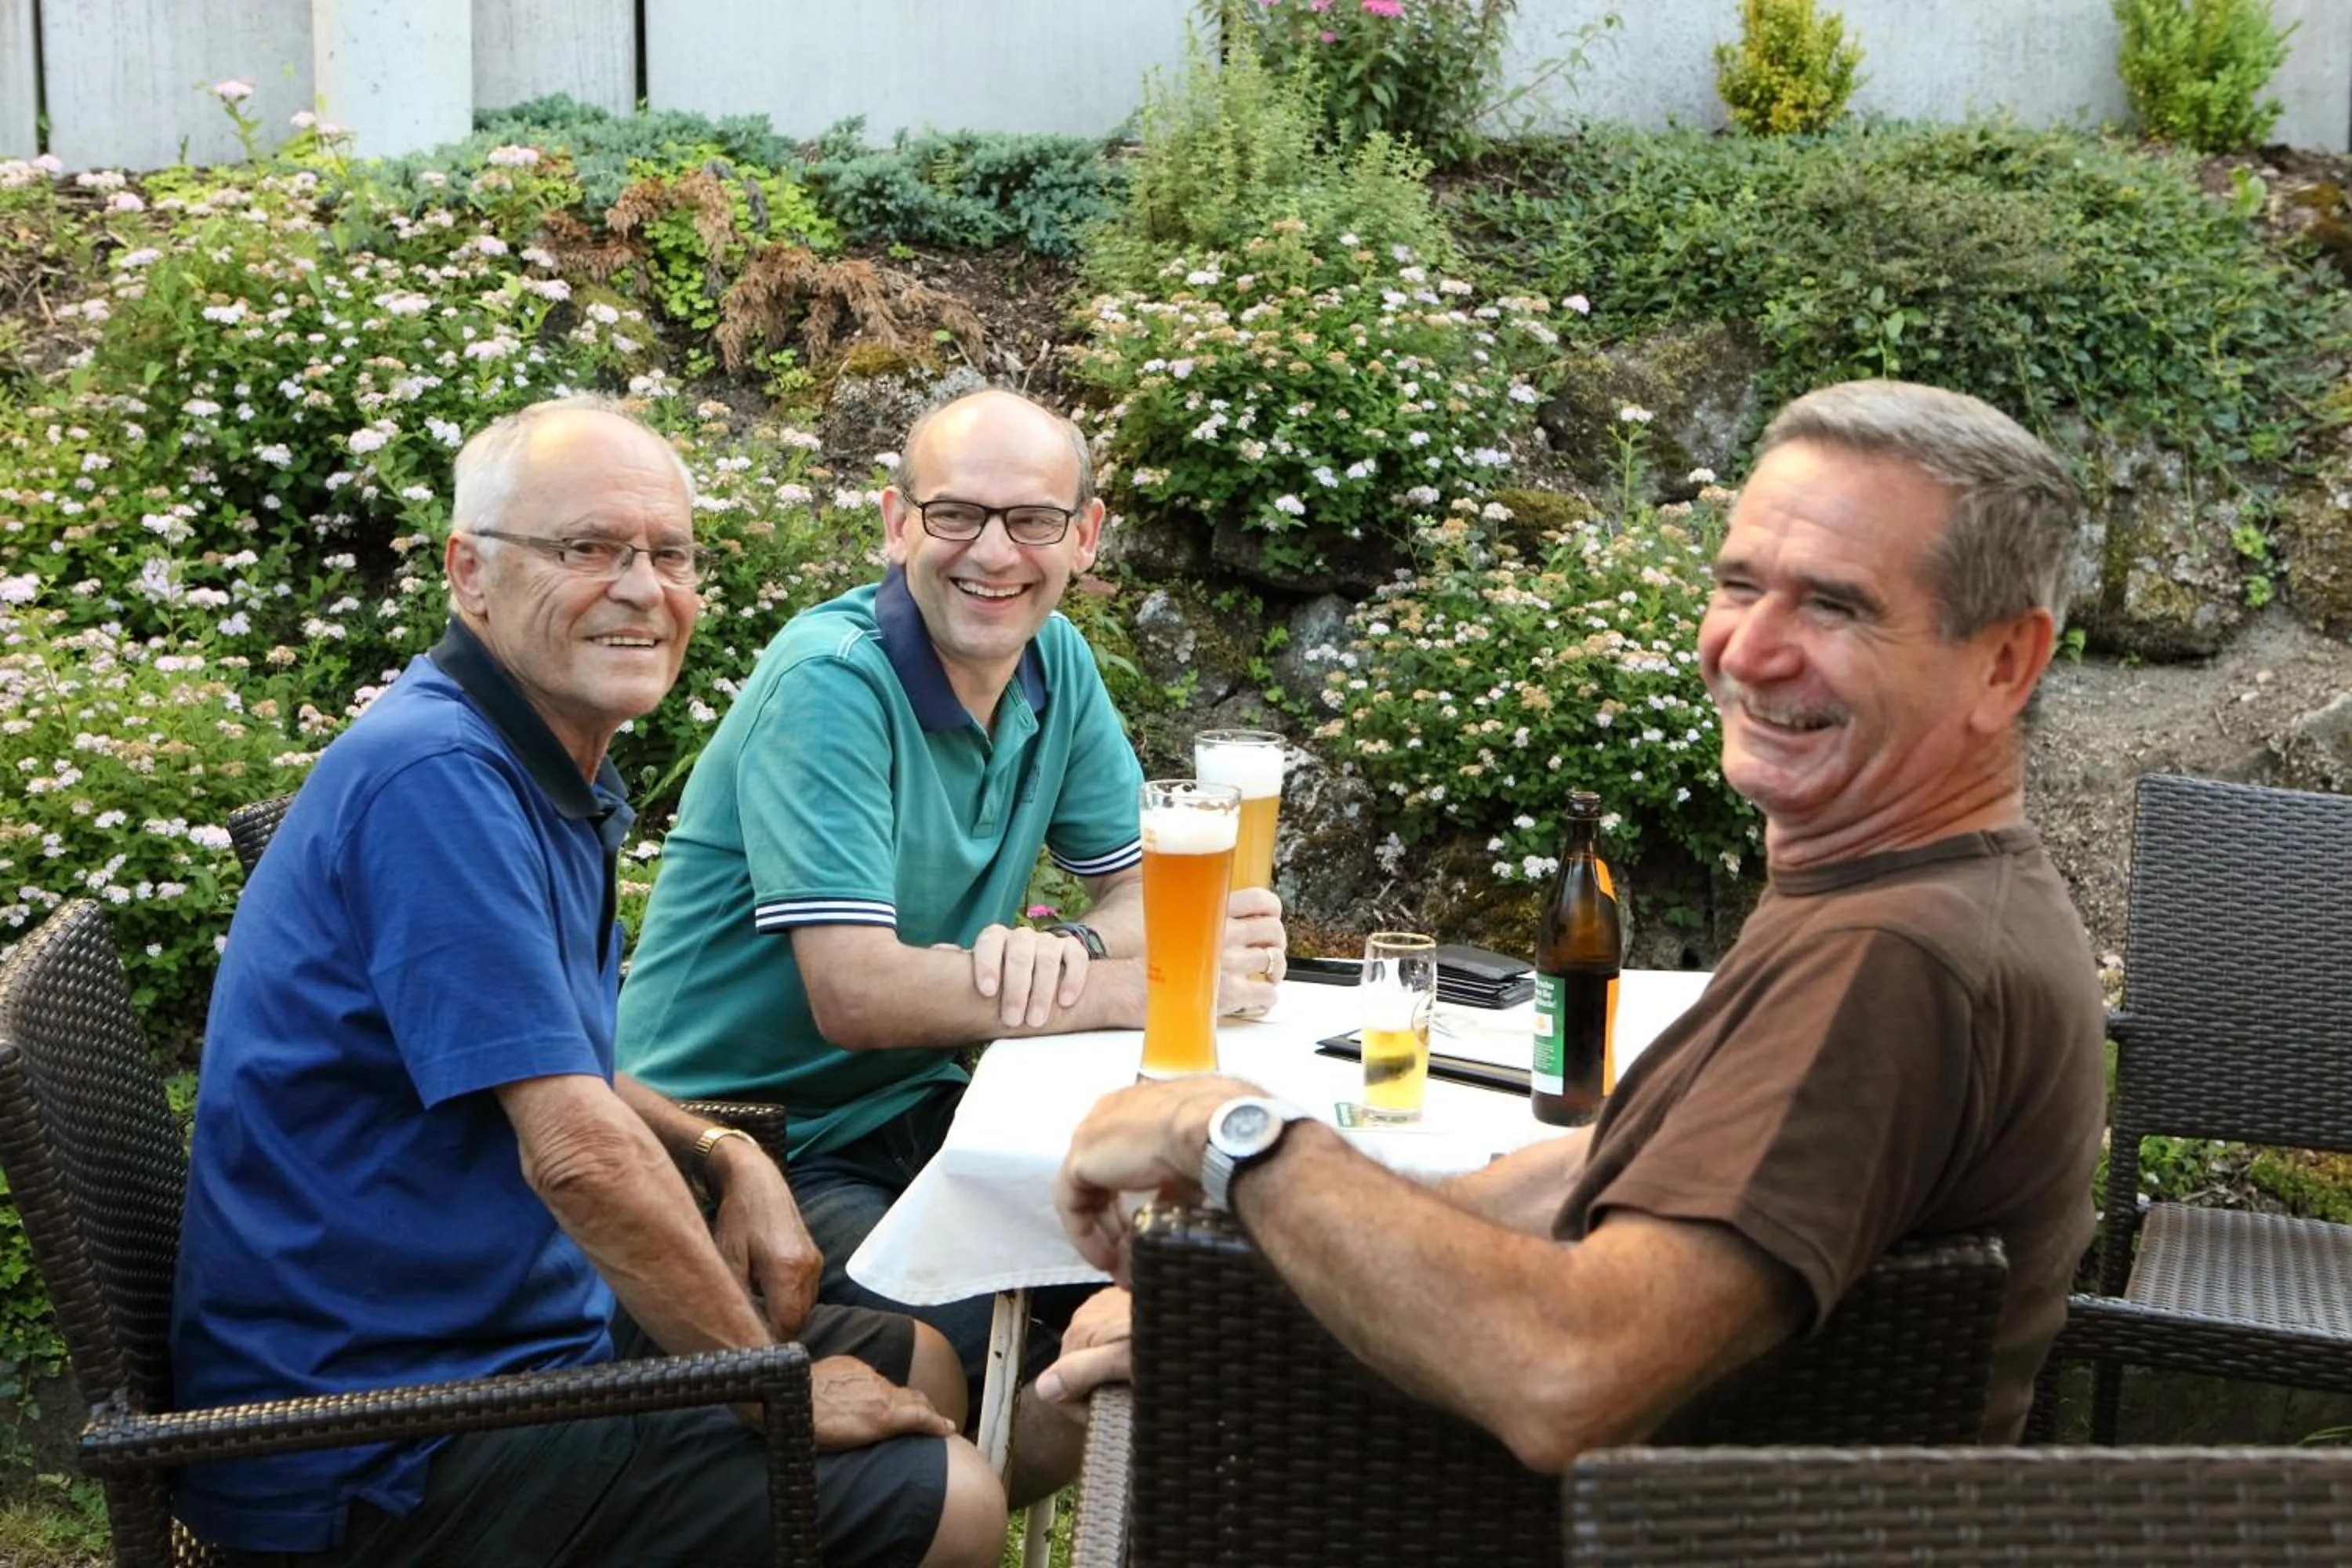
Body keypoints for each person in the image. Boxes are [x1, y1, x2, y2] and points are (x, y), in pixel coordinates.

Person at [1042, 378, 2108, 1465]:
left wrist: (1235, 1133)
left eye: (1835, 606)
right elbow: (1588, 1168)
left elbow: (1568, 1371)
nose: (1749, 651)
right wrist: (1260, 1276)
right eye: (1740, 585)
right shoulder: (1893, 897)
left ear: (2004, 664)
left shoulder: (1894, 960)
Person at [172, 398, 1005, 1567]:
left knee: (927, 1365)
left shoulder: (530, 760)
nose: (640, 588)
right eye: (588, 549)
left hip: (505, 1325)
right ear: (470, 573)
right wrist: (770, 1388)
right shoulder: (436, 778)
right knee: (954, 1501)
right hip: (375, 1438)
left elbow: (556, 1059)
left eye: (669, 555)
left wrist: (726, 1152)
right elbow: (574, 1152)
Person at [615, 388, 1286, 1443]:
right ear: (897, 525)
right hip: (738, 1140)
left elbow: (1151, 898)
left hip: (926, 1111)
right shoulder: (833, 682)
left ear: (1085, 537)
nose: (995, 552)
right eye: (957, 514)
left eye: (1033, 520)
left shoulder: (1055, 663)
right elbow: (856, 993)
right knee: (1042, 1352)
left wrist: (1063, 953)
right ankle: (964, 1500)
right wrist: (1136, 988)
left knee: (1190, 1271)